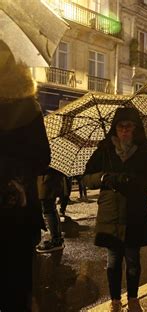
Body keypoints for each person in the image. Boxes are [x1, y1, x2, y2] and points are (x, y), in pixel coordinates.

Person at [83, 107, 147, 312]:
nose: (125, 130)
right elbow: (87, 178)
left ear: (135, 129)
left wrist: (134, 180)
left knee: (133, 259)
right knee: (113, 260)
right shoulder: (104, 149)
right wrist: (104, 178)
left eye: (129, 126)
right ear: (115, 129)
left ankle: (133, 299)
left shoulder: (144, 150)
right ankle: (115, 300)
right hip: (111, 212)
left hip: (135, 212)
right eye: (121, 126)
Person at [0, 40, 51, 311]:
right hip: (20, 208)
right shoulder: (29, 106)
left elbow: (42, 158)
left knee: (16, 288)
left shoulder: (27, 107)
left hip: (16, 209)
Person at [36, 167, 66, 253]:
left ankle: (56, 241)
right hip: (50, 181)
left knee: (48, 210)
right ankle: (57, 239)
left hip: (46, 181)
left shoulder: (45, 160)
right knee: (51, 210)